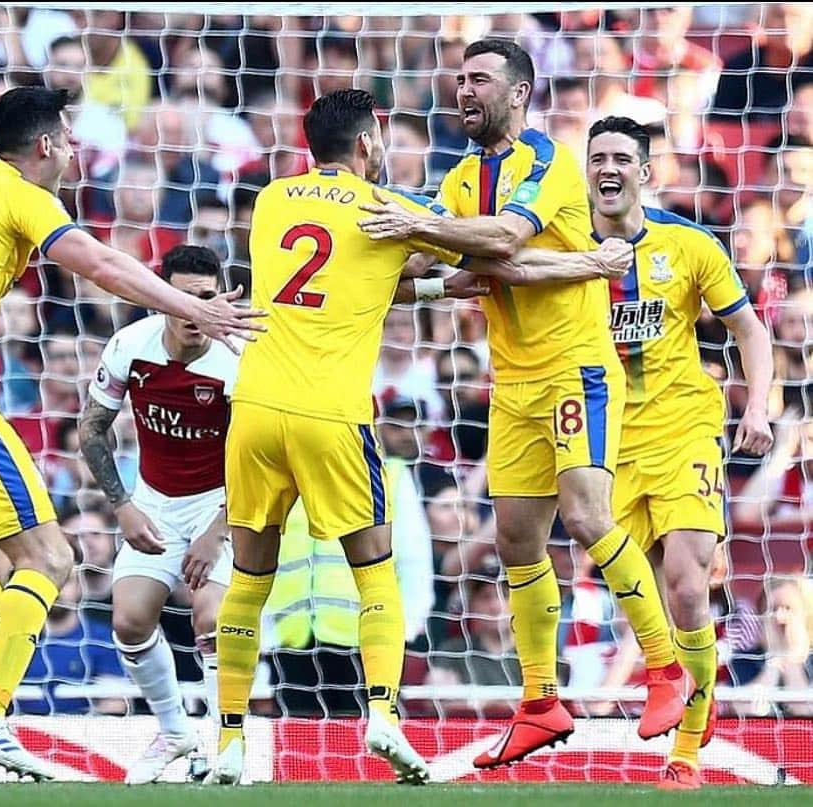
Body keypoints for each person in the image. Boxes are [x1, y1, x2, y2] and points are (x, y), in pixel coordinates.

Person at [205, 87, 632, 787]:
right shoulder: (388, 212)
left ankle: (224, 738)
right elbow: (498, 259)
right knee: (374, 570)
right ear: (370, 143)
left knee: (250, 577)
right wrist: (589, 264)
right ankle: (383, 713)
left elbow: (349, 282)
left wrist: (431, 291)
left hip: (252, 407)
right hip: (331, 412)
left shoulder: (273, 202)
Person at [0, 86, 262, 785]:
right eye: (69, 138)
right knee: (52, 556)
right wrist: (192, 304)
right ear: (44, 145)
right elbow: (101, 264)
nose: (75, 151)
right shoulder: (21, 192)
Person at [358, 38, 691, 768]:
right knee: (514, 542)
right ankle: (540, 701)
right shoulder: (460, 177)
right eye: (458, 79)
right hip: (512, 382)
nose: (463, 90)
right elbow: (442, 256)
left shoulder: (548, 160)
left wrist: (423, 229)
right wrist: (406, 240)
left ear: (518, 94)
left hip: (576, 370)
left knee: (586, 513)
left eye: (479, 79)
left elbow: (502, 238)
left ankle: (668, 668)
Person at [585, 116, 773, 789]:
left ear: (646, 172)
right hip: (605, 447)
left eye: (621, 159)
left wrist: (755, 403)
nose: (608, 168)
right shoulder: (564, 248)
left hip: (683, 427)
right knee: (640, 597)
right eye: (597, 157)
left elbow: (748, 329)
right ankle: (674, 682)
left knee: (690, 584)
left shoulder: (689, 244)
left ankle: (688, 747)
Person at [79, 244, 235, 784]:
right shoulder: (130, 344)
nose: (197, 312)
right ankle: (173, 733)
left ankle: (224, 743)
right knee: (129, 619)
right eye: (185, 299)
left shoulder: (238, 355)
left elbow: (265, 458)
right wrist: (122, 507)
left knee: (210, 619)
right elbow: (91, 428)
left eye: (209, 299)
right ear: (162, 297)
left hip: (225, 502)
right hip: (155, 502)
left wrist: (217, 530)